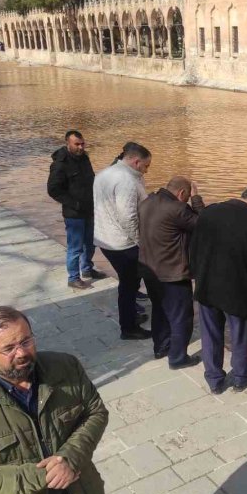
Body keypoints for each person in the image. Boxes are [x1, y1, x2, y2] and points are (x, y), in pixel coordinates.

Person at [0, 306, 109, 494]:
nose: (21, 353)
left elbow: (95, 412)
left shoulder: (66, 367)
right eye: (8, 348)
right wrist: (42, 476)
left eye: (26, 341)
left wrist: (71, 458)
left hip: (82, 491)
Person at [190, 185, 247, 394]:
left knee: (210, 335)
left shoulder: (209, 213)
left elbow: (194, 248)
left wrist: (195, 275)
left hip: (207, 288)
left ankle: (214, 380)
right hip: (240, 294)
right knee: (242, 337)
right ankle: (240, 377)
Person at [138, 176, 204, 368]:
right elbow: (204, 224)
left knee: (159, 309)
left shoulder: (147, 202)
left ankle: (161, 347)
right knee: (181, 316)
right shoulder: (178, 209)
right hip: (172, 272)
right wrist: (197, 200)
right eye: (187, 196)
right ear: (182, 193)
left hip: (149, 270)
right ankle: (178, 357)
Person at [93, 142, 151, 340]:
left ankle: (131, 316)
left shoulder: (104, 173)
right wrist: (140, 241)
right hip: (122, 243)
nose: (147, 170)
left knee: (129, 283)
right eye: (146, 166)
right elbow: (128, 217)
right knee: (128, 285)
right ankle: (128, 327)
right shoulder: (126, 180)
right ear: (136, 162)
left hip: (105, 239)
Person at [47, 130, 107, 290]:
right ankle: (73, 277)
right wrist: (74, 204)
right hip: (74, 214)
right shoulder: (60, 164)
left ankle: (87, 269)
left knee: (91, 243)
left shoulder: (84, 158)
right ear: (68, 143)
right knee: (75, 247)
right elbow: (53, 190)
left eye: (83, 144)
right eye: (77, 144)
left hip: (90, 209)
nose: (81, 147)